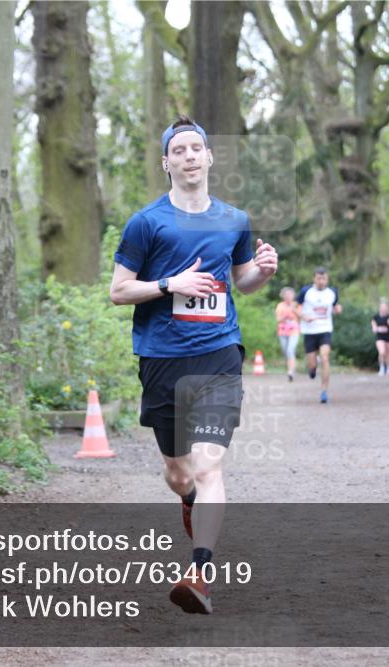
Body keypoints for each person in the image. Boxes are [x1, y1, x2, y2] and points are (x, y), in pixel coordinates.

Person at [109, 115, 278, 615]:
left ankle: (199, 574)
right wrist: (169, 285)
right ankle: (187, 499)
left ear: (209, 157)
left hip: (219, 354)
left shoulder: (234, 220)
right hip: (162, 358)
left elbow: (242, 280)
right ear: (166, 162)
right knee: (178, 472)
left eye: (195, 148)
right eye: (177, 149)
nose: (188, 156)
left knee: (209, 464)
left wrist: (263, 273)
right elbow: (119, 291)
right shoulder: (147, 223)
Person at [297, 267, 341, 403]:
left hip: (325, 329)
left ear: (327, 279)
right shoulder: (306, 291)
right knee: (311, 362)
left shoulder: (332, 292)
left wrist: (338, 309)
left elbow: (335, 306)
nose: (321, 281)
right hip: (309, 331)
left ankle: (324, 391)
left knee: (325, 357)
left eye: (324, 278)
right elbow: (295, 307)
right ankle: (312, 368)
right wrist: (304, 316)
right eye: (318, 278)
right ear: (314, 279)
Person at [275, 287, 300, 381]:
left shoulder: (296, 304)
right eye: (286, 294)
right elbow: (278, 319)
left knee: (290, 350)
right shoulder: (280, 306)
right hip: (282, 331)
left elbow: (301, 316)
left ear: (293, 295)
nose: (288, 296)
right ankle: (290, 368)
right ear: (283, 296)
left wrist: (294, 310)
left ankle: (291, 372)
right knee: (286, 352)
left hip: (294, 331)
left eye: (290, 294)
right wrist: (285, 315)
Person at [371, 301, 389, 376]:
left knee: (388, 353)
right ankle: (382, 368)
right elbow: (373, 327)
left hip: (388, 337)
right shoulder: (376, 317)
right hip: (379, 337)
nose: (383, 309)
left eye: (385, 307)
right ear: (379, 308)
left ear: (387, 308)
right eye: (382, 307)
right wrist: (376, 328)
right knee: (382, 352)